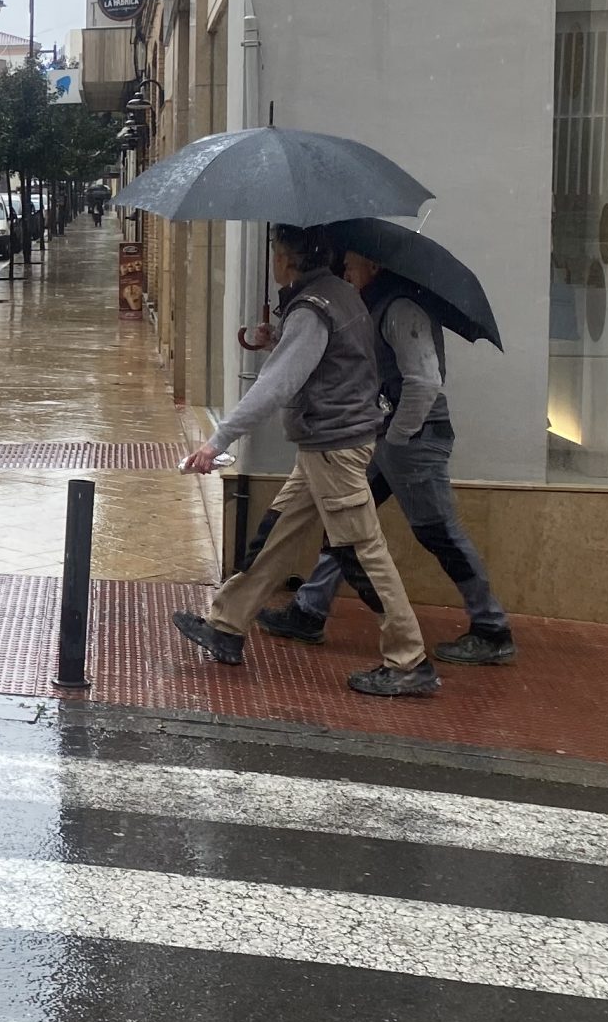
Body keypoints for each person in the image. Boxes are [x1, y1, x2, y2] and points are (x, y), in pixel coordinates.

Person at [174, 225, 438, 697]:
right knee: (277, 531)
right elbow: (328, 357)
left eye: (275, 252)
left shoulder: (312, 308)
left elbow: (276, 385)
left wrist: (218, 441)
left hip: (333, 444)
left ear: (287, 259)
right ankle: (227, 624)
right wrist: (277, 338)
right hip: (329, 442)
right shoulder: (337, 293)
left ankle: (408, 659)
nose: (273, 261)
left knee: (360, 551)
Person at [258, 252, 515, 666]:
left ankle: (491, 627)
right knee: (347, 523)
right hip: (386, 435)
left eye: (352, 267)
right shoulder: (371, 304)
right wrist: (278, 340)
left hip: (412, 439)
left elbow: (425, 380)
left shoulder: (401, 307)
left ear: (374, 267)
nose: (345, 273)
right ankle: (309, 609)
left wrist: (396, 439)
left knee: (438, 533)